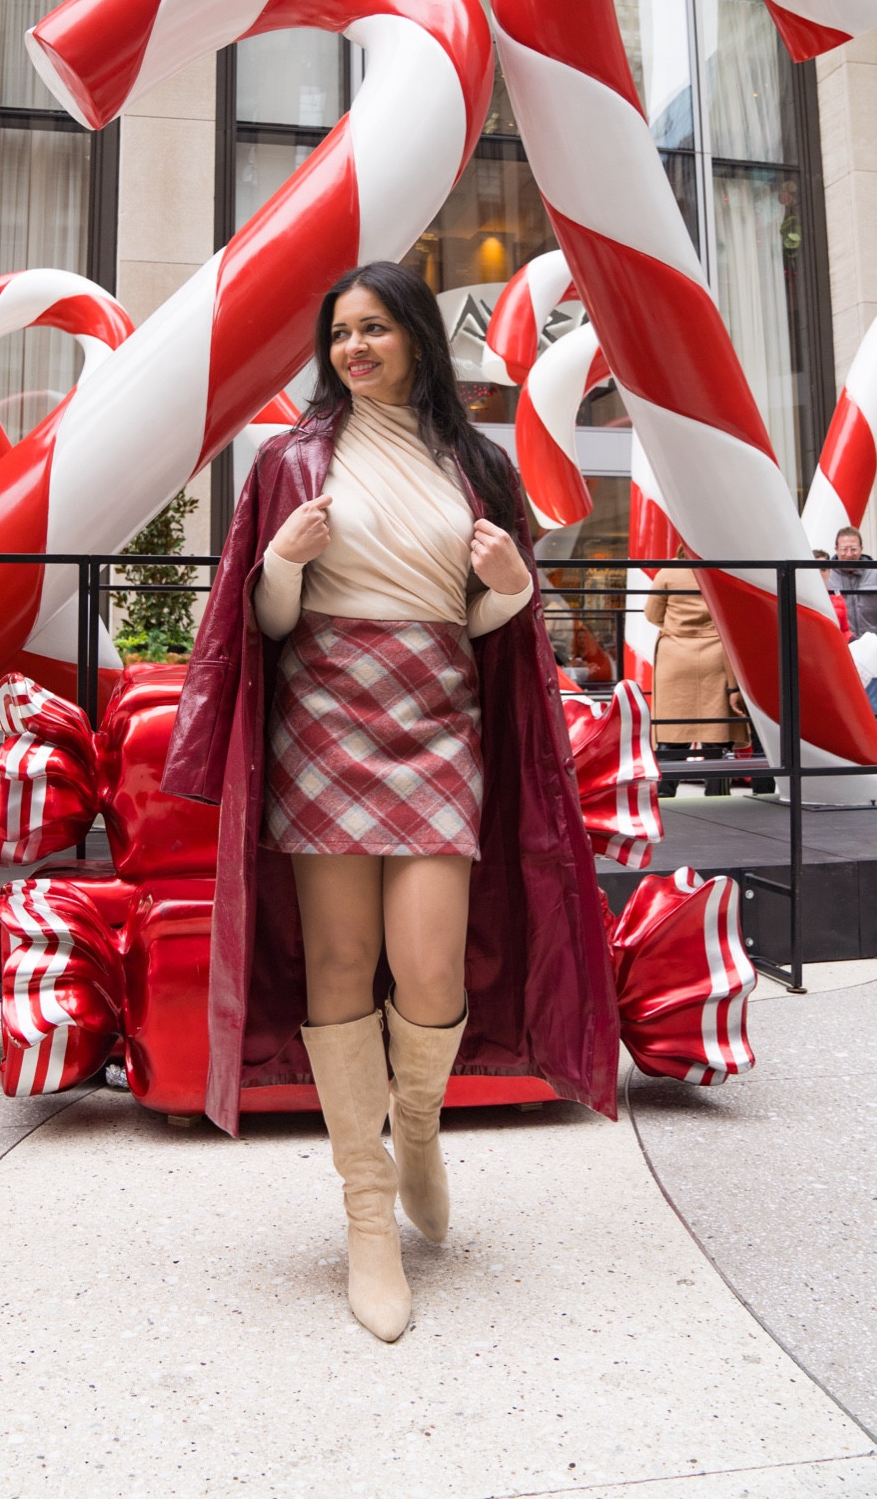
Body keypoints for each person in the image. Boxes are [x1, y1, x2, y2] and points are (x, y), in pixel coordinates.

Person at [162, 263, 618, 1344]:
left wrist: (511, 579)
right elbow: (259, 625)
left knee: (429, 964)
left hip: (436, 717)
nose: (353, 348)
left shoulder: (477, 460)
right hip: (319, 715)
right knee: (335, 962)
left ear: (415, 334)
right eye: (339, 333)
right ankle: (367, 1210)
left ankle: (416, 1122)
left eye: (372, 328)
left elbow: (494, 619)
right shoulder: (286, 460)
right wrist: (280, 559)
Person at [644, 555, 745, 796]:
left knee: (672, 734)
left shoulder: (668, 572)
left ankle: (665, 796)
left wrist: (677, 628)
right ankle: (717, 796)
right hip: (715, 656)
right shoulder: (720, 570)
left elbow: (652, 614)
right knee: (717, 734)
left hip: (675, 656)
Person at [827, 527, 877, 714]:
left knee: (872, 707)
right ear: (836, 549)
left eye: (853, 549)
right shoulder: (826, 575)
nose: (849, 554)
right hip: (838, 650)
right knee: (838, 707)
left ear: (861, 549)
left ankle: (876, 744)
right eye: (844, 549)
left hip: (870, 650)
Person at [813, 551, 852, 638]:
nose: (819, 573)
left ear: (829, 572)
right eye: (815, 569)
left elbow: (845, 631)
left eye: (823, 569)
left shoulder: (837, 598)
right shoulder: (799, 597)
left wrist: (853, 641)